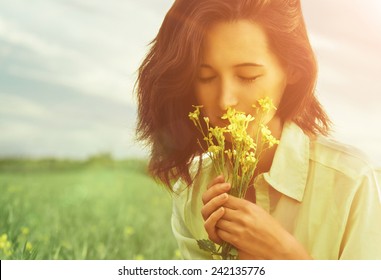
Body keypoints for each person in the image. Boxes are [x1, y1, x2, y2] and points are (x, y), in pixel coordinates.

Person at [135, 0, 381, 259]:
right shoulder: (192, 191)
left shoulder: (352, 182)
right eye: (205, 77)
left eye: (248, 76)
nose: (225, 100)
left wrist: (289, 259)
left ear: (293, 70)